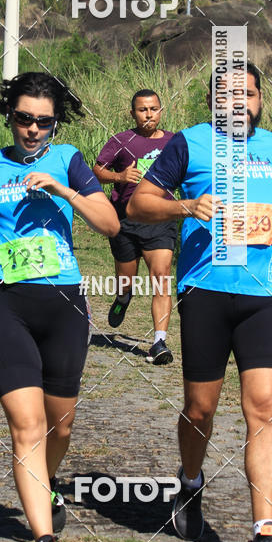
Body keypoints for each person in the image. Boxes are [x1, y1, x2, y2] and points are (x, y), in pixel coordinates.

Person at [127, 62, 272, 542]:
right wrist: (186, 205)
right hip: (207, 292)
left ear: (260, 99)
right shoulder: (188, 144)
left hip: (267, 294)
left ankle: (264, 531)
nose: (241, 103)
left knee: (265, 407)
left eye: (250, 94)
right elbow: (140, 204)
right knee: (200, 409)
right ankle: (190, 482)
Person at [0, 72, 119, 542]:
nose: (32, 130)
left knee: (59, 426)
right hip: (3, 300)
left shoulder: (67, 158)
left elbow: (110, 224)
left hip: (64, 302)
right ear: (10, 115)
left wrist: (62, 189)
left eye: (43, 122)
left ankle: (46, 484)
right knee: (26, 426)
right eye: (24, 118)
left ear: (54, 124)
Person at [93, 90, 177, 363]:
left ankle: (159, 343)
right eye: (142, 110)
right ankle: (123, 298)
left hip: (160, 221)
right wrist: (120, 175)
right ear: (133, 113)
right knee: (127, 280)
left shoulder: (174, 142)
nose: (149, 114)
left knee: (162, 277)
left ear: (161, 111)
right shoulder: (121, 141)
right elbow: (97, 170)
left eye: (153, 109)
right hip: (125, 221)